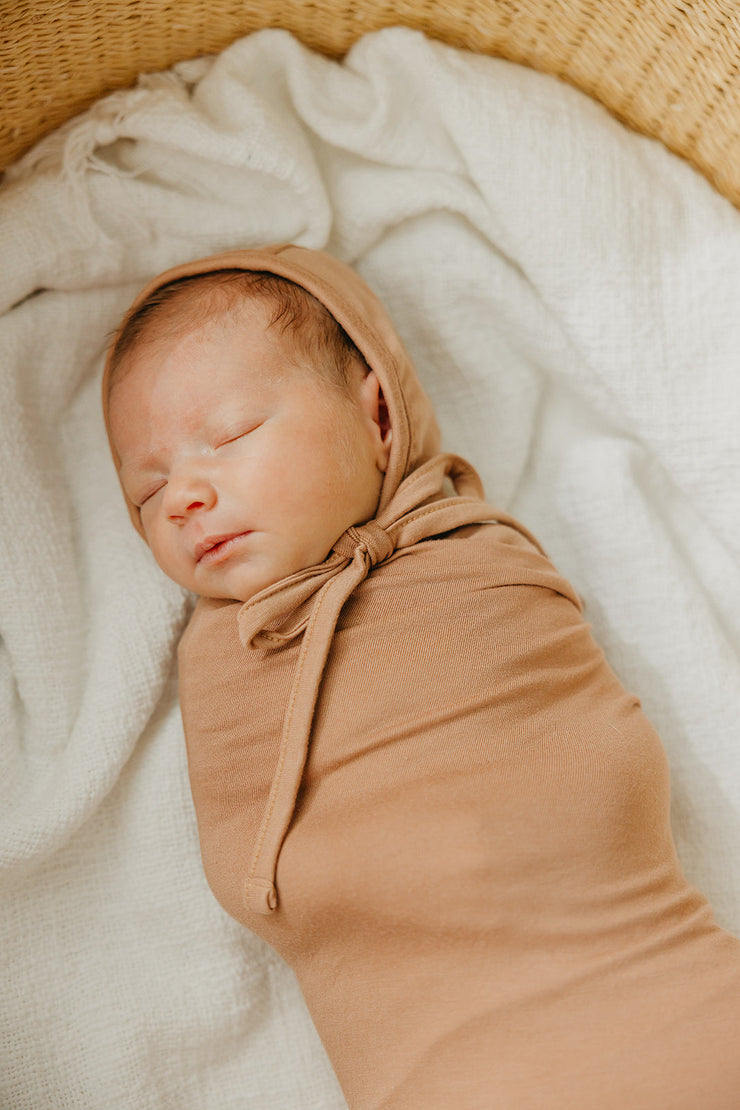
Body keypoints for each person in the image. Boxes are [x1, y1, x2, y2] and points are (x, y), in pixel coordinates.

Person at [103, 244, 740, 1110]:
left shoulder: (473, 550)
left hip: (672, 993)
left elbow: (585, 737)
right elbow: (262, 873)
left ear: (376, 417)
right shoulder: (228, 652)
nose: (183, 495)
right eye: (148, 492)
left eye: (231, 436)